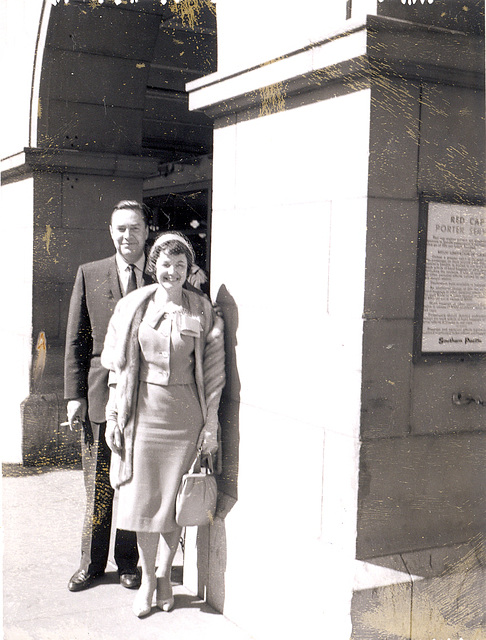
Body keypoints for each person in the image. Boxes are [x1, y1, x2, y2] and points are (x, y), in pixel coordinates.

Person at [100, 231, 225, 617]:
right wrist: (114, 414)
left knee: (174, 503)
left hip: (186, 415)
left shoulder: (202, 309)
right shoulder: (133, 306)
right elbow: (118, 369)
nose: (173, 272)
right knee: (144, 501)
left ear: (189, 269)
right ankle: (148, 581)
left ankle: (166, 577)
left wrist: (210, 425)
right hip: (144, 414)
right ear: (155, 266)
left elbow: (214, 371)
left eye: (181, 265)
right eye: (166, 264)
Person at [64, 200, 153, 592]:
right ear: (110, 231)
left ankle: (128, 561)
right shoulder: (90, 273)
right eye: (120, 228)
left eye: (134, 228)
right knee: (98, 485)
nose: (126, 236)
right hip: (101, 397)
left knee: (133, 484)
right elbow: (75, 341)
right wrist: (74, 396)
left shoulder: (163, 275)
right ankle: (91, 563)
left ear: (146, 231)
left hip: (148, 400)